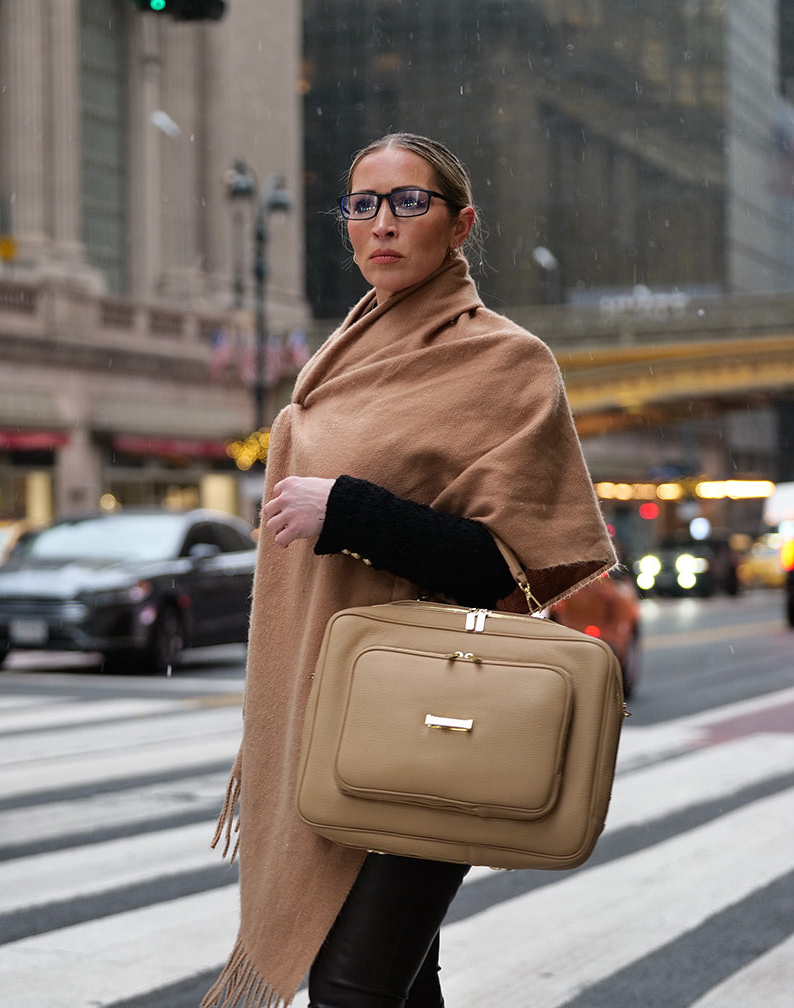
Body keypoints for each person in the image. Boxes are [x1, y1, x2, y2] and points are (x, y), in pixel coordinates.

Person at [203, 132, 616, 1008]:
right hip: (326, 715)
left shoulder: (507, 363)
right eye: (363, 205)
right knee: (394, 981)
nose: (381, 224)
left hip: (433, 717)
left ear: (461, 224)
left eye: (408, 202)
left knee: (352, 983)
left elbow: (504, 567)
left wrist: (349, 512)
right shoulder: (343, 355)